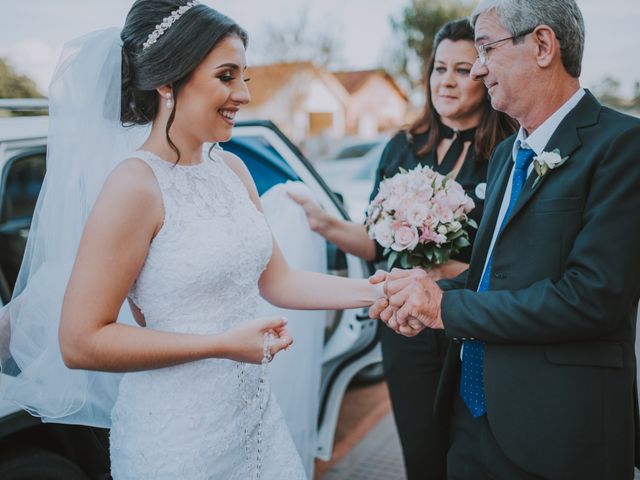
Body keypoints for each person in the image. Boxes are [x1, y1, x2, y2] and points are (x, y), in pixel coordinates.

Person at [0, 1, 385, 479]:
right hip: (176, 439)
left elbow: (280, 281)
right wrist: (220, 344)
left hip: (257, 421)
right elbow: (81, 341)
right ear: (167, 82)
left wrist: (378, 291)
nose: (243, 94)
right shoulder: (134, 186)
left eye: (246, 77)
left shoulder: (232, 169)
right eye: (227, 76)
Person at [371, 1, 640, 479]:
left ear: (541, 45)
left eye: (485, 49)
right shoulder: (504, 156)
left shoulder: (623, 147)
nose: (478, 69)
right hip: (471, 422)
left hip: (560, 430)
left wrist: (444, 309)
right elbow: (492, 278)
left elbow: (591, 298)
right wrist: (420, 293)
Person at [290, 19, 516, 480]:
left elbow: (512, 255)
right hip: (405, 328)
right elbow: (376, 242)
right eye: (438, 69)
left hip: (471, 325)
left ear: (485, 74)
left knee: (477, 452)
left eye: (462, 70)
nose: (446, 81)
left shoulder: (508, 152)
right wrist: (322, 222)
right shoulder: (402, 147)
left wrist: (458, 270)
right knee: (421, 449)